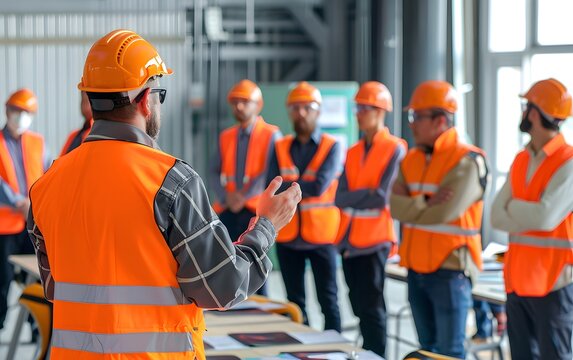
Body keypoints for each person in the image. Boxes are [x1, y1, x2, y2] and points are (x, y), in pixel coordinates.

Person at [27, 29, 301, 359]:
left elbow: (57, 286)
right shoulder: (171, 182)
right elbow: (223, 287)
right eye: (159, 93)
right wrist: (266, 225)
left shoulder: (47, 185)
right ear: (145, 99)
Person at [390, 80, 489, 358]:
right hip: (416, 269)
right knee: (427, 351)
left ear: (441, 120)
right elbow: (395, 207)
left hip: (451, 271)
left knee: (450, 352)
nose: (412, 124)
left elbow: (443, 213)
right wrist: (424, 203)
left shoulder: (467, 161)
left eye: (417, 117)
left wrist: (413, 204)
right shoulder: (411, 159)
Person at [491, 78, 573, 360]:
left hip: (553, 284)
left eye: (526, 107)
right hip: (517, 284)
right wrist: (529, 210)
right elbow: (495, 216)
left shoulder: (568, 161)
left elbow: (545, 218)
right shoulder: (520, 160)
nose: (523, 113)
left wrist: (513, 205)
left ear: (535, 113)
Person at [334, 81, 406, 357]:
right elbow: (339, 197)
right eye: (358, 108)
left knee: (373, 307)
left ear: (380, 111)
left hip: (375, 240)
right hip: (349, 240)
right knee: (359, 305)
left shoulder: (395, 148)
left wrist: (357, 194)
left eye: (365, 108)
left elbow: (381, 197)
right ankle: (368, 353)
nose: (359, 113)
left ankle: (377, 355)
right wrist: (362, 193)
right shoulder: (352, 151)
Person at [266, 81, 342, 332]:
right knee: (295, 305)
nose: (300, 113)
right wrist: (302, 184)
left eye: (307, 107)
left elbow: (319, 186)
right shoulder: (280, 146)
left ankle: (335, 352)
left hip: (322, 237)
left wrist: (292, 185)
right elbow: (274, 184)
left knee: (328, 301)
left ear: (318, 111)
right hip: (288, 236)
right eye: (295, 108)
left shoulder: (332, 146)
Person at [211, 80, 282, 295]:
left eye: (244, 102)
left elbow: (269, 172)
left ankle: (262, 310)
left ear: (258, 105)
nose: (239, 106)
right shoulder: (226, 136)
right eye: (235, 102)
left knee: (257, 264)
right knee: (226, 262)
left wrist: (242, 196)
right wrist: (227, 197)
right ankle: (230, 304)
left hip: (256, 210)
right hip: (229, 209)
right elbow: (214, 170)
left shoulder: (271, 135)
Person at [0, 88, 50, 331]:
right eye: (17, 110)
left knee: (37, 275)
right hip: (5, 225)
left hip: (33, 221)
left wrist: (33, 204)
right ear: (7, 110)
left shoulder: (38, 142)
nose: (21, 116)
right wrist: (19, 202)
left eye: (26, 112)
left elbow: (46, 175)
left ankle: (35, 326)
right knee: (3, 279)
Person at [60, 91, 93, 156]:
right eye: (83, 101)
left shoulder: (96, 135)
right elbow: (60, 161)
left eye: (87, 101)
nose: (84, 106)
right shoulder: (73, 136)